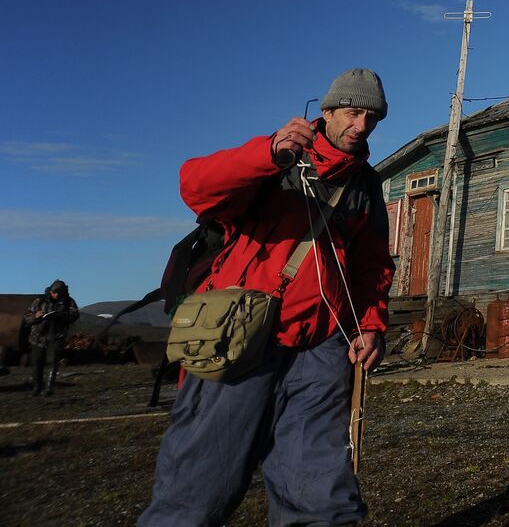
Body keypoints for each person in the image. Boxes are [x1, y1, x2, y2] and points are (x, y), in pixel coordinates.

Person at [141, 69, 396, 527]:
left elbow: (372, 265)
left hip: (321, 347)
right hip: (240, 336)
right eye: (353, 112)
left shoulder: (366, 186)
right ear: (328, 111)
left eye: (372, 117)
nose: (361, 125)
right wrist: (267, 154)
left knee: (319, 490)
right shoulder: (278, 158)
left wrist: (370, 325)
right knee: (198, 485)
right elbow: (194, 186)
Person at [25, 280, 80, 395]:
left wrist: (61, 316)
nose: (56, 294)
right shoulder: (39, 301)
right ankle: (36, 388)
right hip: (38, 336)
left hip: (56, 335)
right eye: (54, 292)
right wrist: (36, 316)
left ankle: (48, 388)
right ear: (50, 291)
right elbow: (27, 317)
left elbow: (74, 315)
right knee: (37, 362)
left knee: (53, 362)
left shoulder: (68, 302)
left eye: (59, 292)